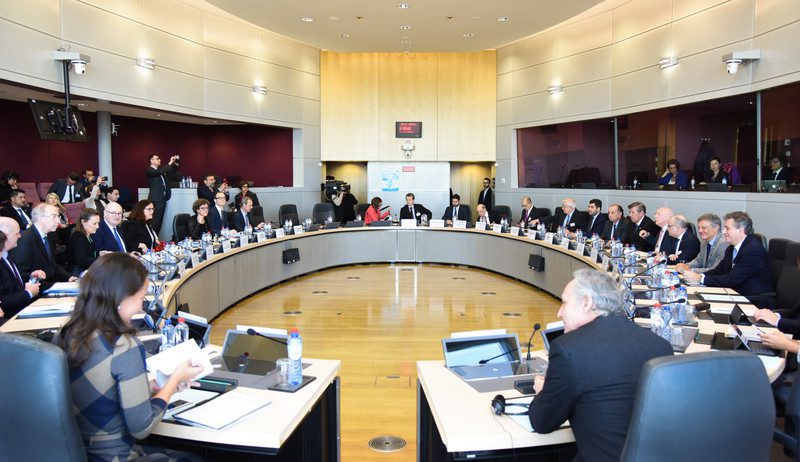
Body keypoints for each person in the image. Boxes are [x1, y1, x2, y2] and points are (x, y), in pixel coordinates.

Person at [53, 253, 203, 462]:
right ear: (121, 297)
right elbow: (142, 427)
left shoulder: (66, 334)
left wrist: (150, 387)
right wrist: (174, 381)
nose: (141, 308)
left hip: (79, 451)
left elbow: (99, 392)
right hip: (116, 455)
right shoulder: (123, 346)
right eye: (140, 298)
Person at [529, 269, 673, 462]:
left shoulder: (568, 349)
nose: (559, 312)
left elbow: (542, 421)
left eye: (564, 303)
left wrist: (542, 391)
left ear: (586, 303)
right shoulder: (660, 345)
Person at [682, 212, 773, 303]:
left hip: (751, 299)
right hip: (733, 293)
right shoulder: (731, 247)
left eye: (727, 228)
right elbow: (719, 271)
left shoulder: (753, 250)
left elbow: (732, 280)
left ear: (741, 230)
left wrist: (700, 279)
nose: (723, 232)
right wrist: (700, 276)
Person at [9, 204, 77, 290]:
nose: (58, 221)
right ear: (41, 218)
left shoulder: (47, 236)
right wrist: (53, 287)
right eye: (54, 217)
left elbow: (53, 265)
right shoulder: (25, 239)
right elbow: (23, 273)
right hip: (37, 291)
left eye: (58, 217)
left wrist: (69, 278)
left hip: (50, 285)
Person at [0, 217, 43, 321]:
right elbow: (2, 300)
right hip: (9, 318)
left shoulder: (8, 254)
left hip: (21, 311)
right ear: (5, 235)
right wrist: (27, 293)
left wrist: (31, 278)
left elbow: (12, 284)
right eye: (16, 233)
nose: (20, 236)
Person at [146, 153, 179, 233]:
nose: (159, 160)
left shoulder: (160, 171)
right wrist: (170, 162)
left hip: (162, 198)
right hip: (156, 198)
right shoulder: (149, 170)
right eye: (157, 158)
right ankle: (153, 239)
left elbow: (172, 172)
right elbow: (160, 172)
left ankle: (156, 238)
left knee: (159, 221)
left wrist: (175, 162)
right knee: (155, 221)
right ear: (151, 160)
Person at [69, 208, 102, 276]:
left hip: (87, 269)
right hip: (78, 272)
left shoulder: (89, 235)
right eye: (94, 223)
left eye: (98, 223)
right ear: (83, 222)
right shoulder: (78, 236)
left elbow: (89, 254)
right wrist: (100, 259)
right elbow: (81, 260)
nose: (98, 226)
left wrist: (100, 253)